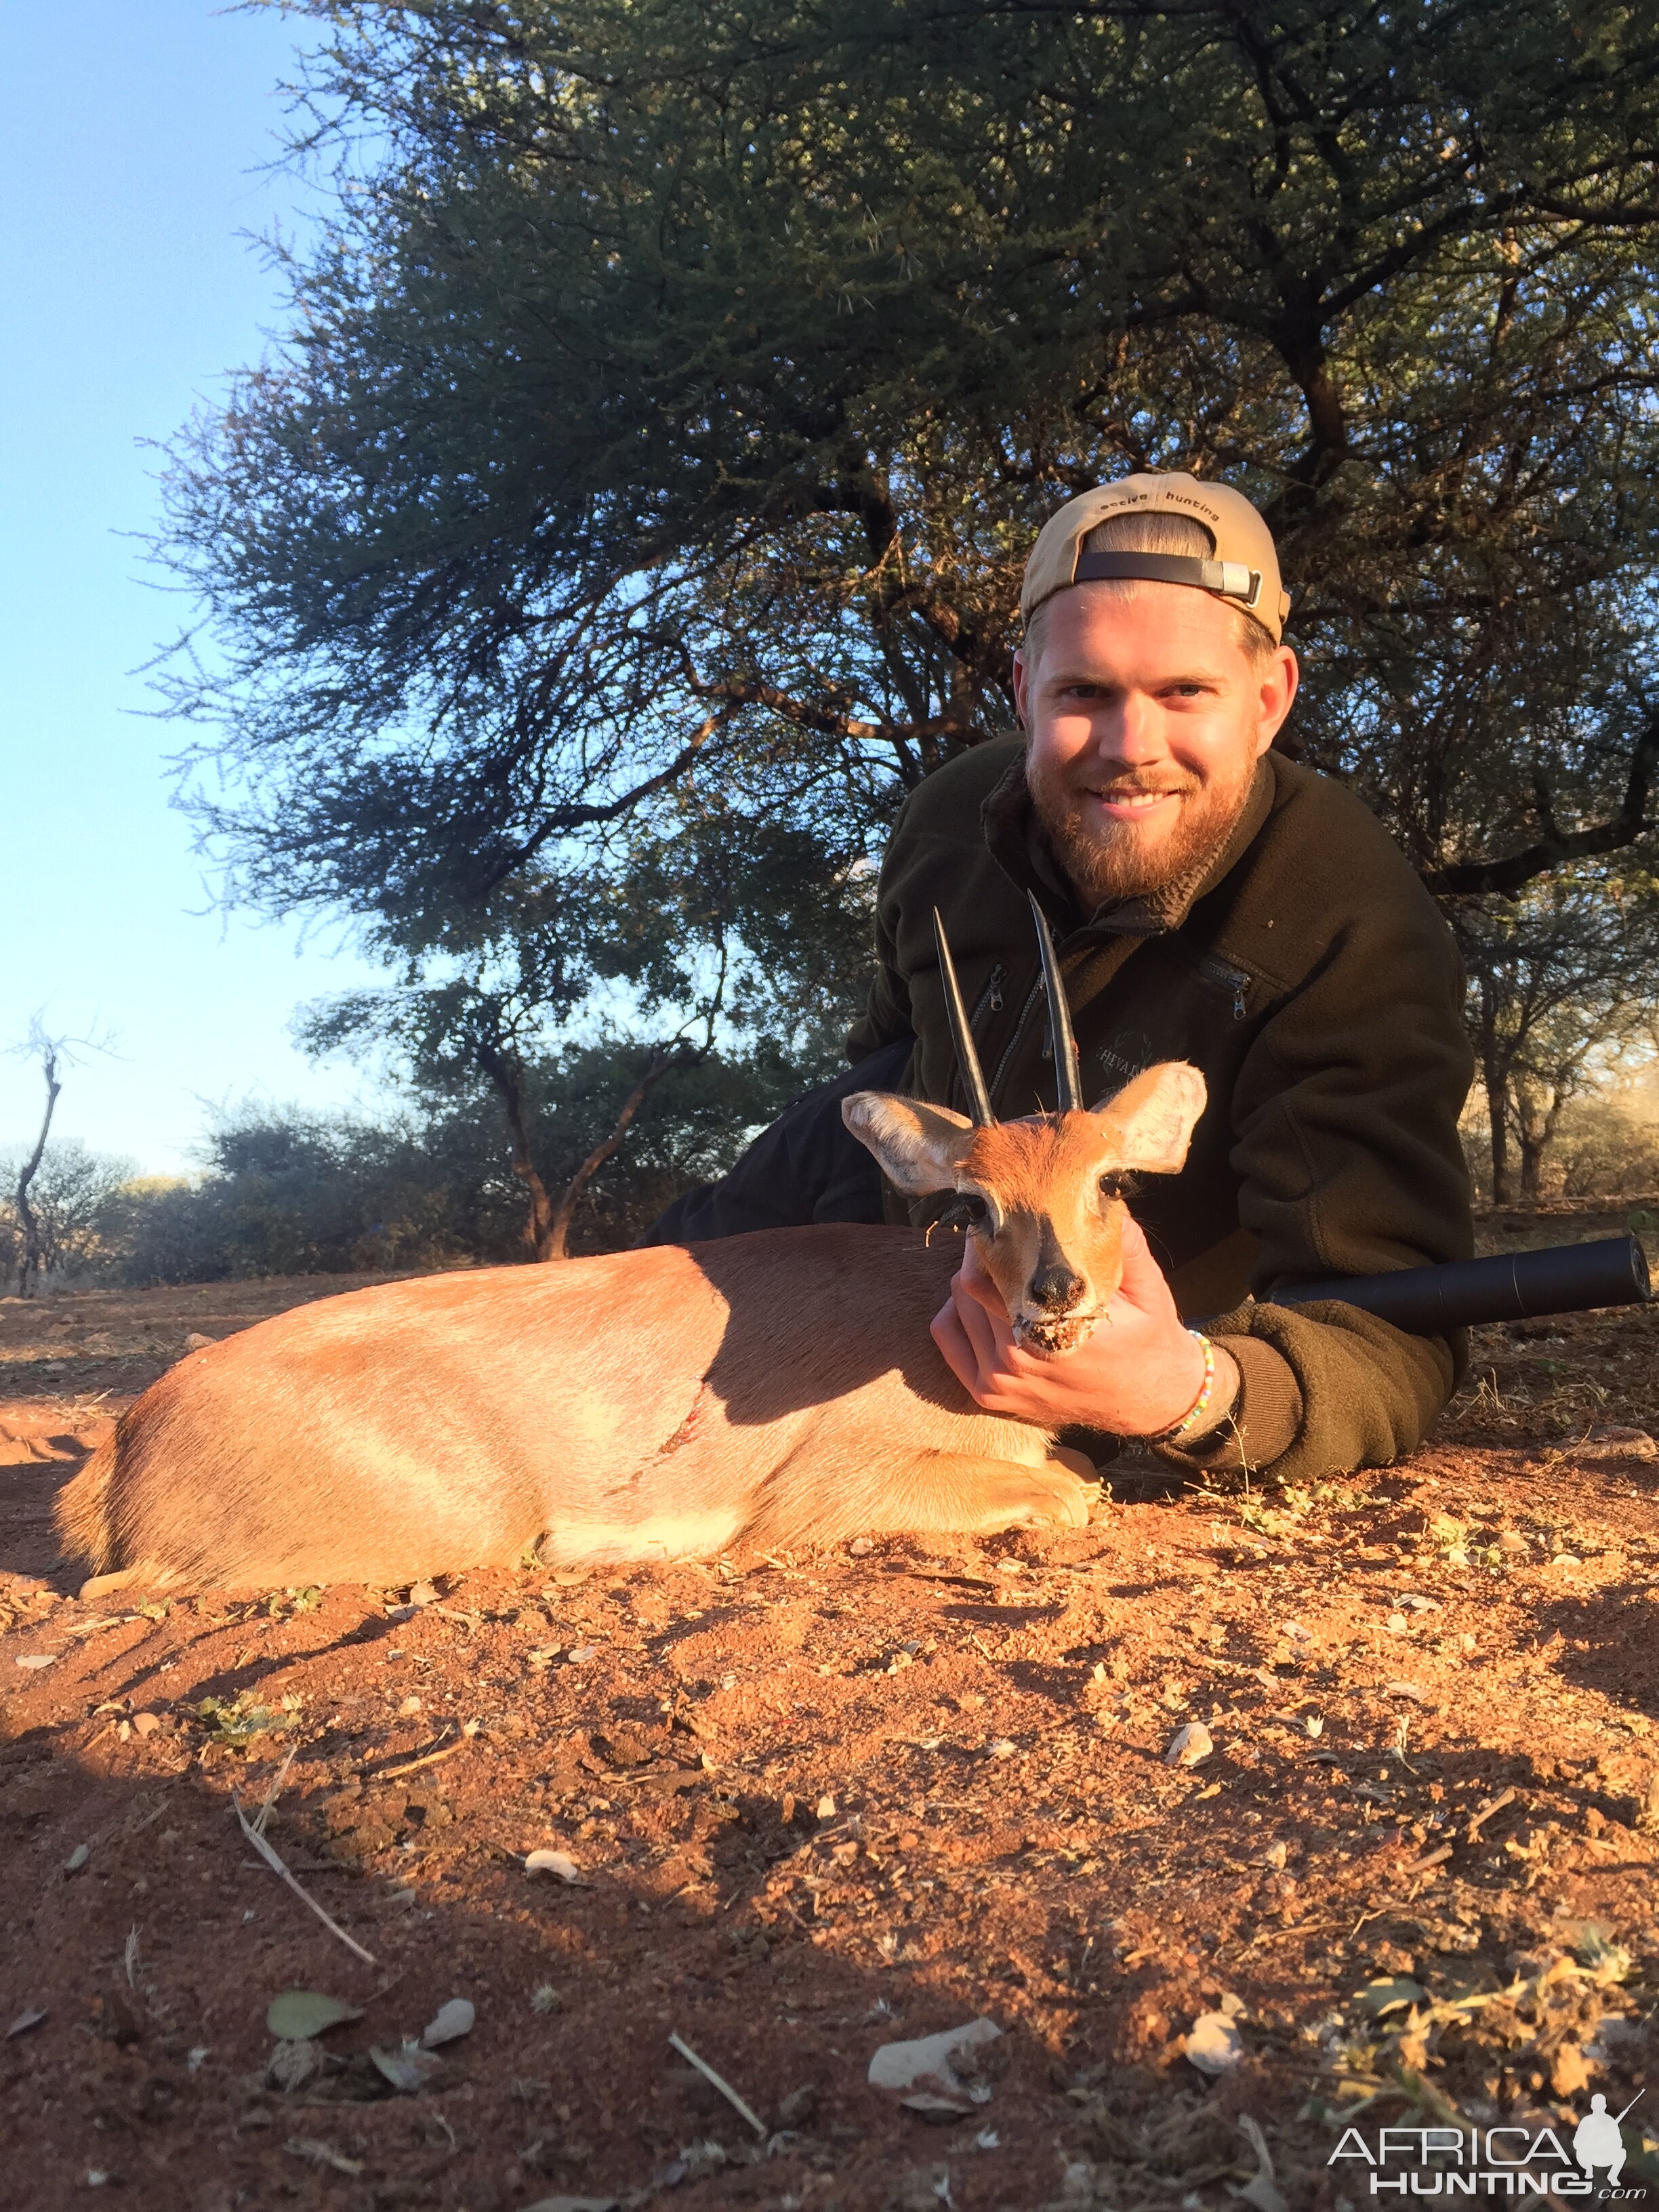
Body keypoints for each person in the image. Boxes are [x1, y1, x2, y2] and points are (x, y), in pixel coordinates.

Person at [644, 474, 1474, 1481]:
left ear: (1269, 700)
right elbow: (886, 1063)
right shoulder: (949, 820)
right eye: (1083, 692)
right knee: (610, 1314)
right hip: (898, 1290)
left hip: (1104, 1369)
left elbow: (1389, 1329)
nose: (1130, 749)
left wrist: (1185, 1393)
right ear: (1021, 687)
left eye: (1184, 693)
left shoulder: (1354, 917)